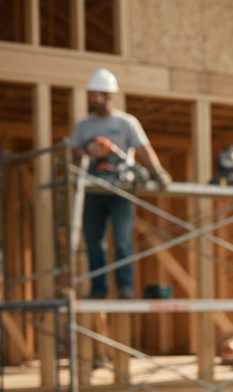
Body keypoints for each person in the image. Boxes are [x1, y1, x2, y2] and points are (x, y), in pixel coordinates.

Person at [70, 68, 171, 299]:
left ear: (110, 96)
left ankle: (125, 288)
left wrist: (158, 172)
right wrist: (88, 150)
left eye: (100, 95)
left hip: (121, 191)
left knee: (123, 242)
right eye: (92, 95)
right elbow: (73, 157)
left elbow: (144, 149)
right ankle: (99, 289)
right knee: (94, 243)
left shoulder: (126, 122)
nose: (95, 99)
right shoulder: (84, 127)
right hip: (94, 190)